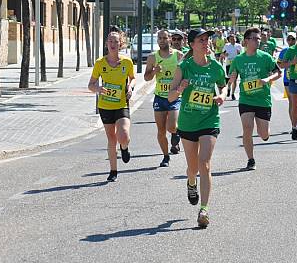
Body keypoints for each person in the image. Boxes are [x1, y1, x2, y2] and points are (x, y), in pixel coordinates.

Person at [168, 28, 227, 228]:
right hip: (188, 122)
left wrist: (222, 95)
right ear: (192, 44)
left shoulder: (216, 67)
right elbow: (170, 97)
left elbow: (223, 85)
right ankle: (191, 181)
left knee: (205, 163)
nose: (205, 42)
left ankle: (204, 209)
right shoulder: (184, 67)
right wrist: (181, 89)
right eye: (201, 40)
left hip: (209, 120)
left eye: (207, 39)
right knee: (193, 168)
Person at [229, 27, 281, 171]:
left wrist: (268, 78)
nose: (258, 41)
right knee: (247, 128)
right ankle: (250, 159)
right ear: (246, 41)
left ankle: (265, 133)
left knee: (263, 134)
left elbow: (278, 73)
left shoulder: (265, 57)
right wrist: (231, 79)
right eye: (254, 38)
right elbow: (230, 78)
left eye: (259, 38)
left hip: (263, 100)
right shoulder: (239, 60)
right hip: (246, 100)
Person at [88, 32, 135, 182]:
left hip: (121, 104)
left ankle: (125, 147)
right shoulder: (100, 63)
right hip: (105, 105)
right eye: (110, 41)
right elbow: (91, 85)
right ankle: (113, 171)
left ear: (121, 44)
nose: (113, 44)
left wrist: (130, 87)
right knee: (111, 138)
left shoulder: (127, 62)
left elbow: (133, 78)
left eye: (116, 41)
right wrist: (98, 89)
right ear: (106, 44)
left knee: (124, 135)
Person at [144, 29, 183, 167]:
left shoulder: (178, 56)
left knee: (171, 126)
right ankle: (166, 157)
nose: (161, 40)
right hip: (160, 97)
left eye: (164, 38)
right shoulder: (152, 57)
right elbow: (146, 77)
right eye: (159, 38)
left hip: (175, 97)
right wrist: (154, 71)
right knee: (161, 130)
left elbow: (185, 74)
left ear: (170, 39)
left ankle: (175, 132)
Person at [277, 32, 297, 129]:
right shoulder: (284, 51)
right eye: (289, 39)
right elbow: (279, 64)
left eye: (293, 39)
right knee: (292, 102)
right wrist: (290, 63)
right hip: (288, 79)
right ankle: (293, 126)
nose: (291, 41)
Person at [220, 33, 242, 99]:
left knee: (235, 80)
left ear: (235, 39)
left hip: (236, 64)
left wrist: (239, 53)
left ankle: (232, 94)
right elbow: (222, 54)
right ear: (229, 40)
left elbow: (241, 55)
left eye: (234, 38)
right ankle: (229, 88)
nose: (233, 40)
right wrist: (225, 55)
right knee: (230, 78)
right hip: (229, 63)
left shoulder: (238, 46)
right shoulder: (227, 45)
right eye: (231, 39)